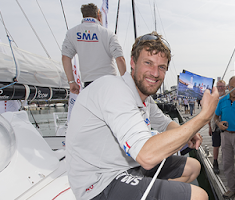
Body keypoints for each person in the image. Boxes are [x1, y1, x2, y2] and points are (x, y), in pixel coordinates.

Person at [65, 32, 219, 200]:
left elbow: (165, 123)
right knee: (199, 196)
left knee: (193, 167)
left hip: (129, 166)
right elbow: (146, 156)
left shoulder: (143, 98)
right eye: (148, 63)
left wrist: (188, 133)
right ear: (132, 62)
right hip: (100, 181)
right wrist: (204, 116)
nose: (154, 73)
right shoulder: (114, 89)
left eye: (161, 67)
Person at [62, 3, 126, 94]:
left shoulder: (72, 33)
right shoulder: (108, 33)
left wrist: (71, 82)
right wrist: (125, 81)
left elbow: (65, 57)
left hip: (89, 85)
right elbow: (120, 59)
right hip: (109, 82)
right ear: (98, 16)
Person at [208, 80, 226, 174]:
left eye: (222, 86)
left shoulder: (228, 97)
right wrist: (209, 127)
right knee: (216, 145)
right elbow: (209, 114)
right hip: (215, 125)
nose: (220, 88)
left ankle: (226, 162)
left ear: (225, 87)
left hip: (226, 125)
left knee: (226, 146)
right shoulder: (213, 98)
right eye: (218, 86)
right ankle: (215, 162)